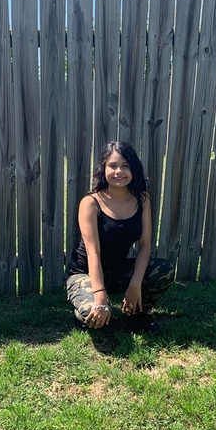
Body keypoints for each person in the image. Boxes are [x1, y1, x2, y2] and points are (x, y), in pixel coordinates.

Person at [65, 141, 174, 331]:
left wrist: (135, 284)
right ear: (104, 169)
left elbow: (145, 245)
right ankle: (82, 313)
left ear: (133, 169)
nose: (119, 172)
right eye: (113, 166)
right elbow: (93, 254)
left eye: (125, 166)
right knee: (95, 311)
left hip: (118, 270)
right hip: (85, 273)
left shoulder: (142, 199)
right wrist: (100, 296)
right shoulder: (90, 203)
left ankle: (136, 313)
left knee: (163, 270)